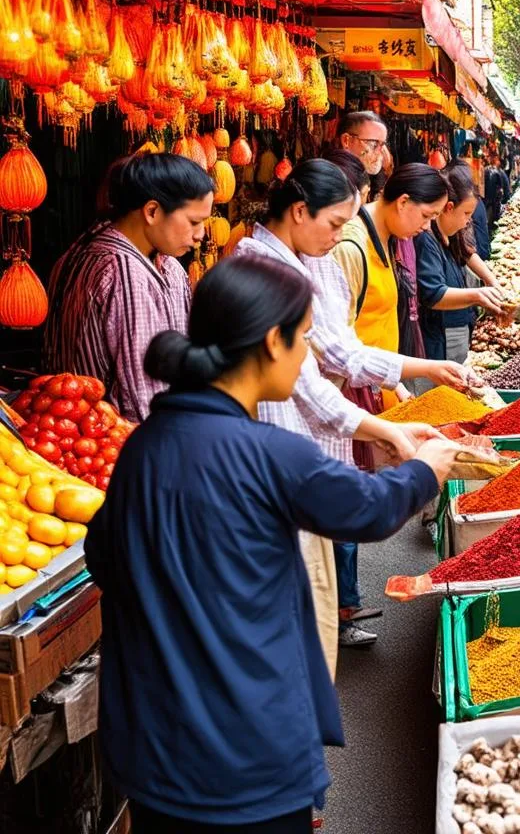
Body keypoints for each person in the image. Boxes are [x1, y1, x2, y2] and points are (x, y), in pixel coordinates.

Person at [85, 255, 458, 833]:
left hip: (153, 747)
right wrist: (427, 469)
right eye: (304, 337)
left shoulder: (143, 447)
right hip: (245, 751)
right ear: (270, 341)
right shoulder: (266, 452)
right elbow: (371, 508)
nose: (308, 353)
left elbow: (103, 557)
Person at [233, 159, 462, 651]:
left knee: (314, 571)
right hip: (290, 446)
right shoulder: (261, 271)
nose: (341, 235)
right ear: (299, 211)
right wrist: (396, 440)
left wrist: (400, 409)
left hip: (311, 441)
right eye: (335, 223)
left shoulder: (310, 258)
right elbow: (320, 380)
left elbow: (336, 358)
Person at [43, 153, 214, 422]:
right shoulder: (125, 272)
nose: (200, 234)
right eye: (194, 221)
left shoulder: (78, 252)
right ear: (152, 212)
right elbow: (146, 397)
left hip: (68, 433)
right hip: (121, 443)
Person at [333, 163, 452, 408]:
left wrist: (395, 383)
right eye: (427, 216)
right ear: (403, 202)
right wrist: (425, 369)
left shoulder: (389, 238)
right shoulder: (351, 247)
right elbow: (339, 347)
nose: (427, 227)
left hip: (377, 388)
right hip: (351, 398)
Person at [414, 163, 505, 364]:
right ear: (449, 208)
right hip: (441, 333)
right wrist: (478, 296)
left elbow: (467, 254)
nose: (467, 222)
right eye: (466, 214)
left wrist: (493, 282)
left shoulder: (450, 234)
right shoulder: (427, 240)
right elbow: (434, 295)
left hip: (459, 325)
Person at [337, 109, 388, 177]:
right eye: (373, 143)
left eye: (382, 144)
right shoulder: (334, 179)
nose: (379, 152)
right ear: (346, 141)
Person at [484, 152, 510, 230]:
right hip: (496, 203)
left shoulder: (489, 171)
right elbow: (505, 191)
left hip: (491, 204)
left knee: (490, 224)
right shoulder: (499, 171)